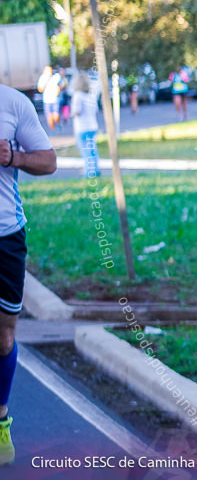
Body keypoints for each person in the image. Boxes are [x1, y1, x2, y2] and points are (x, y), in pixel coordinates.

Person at [0, 81, 57, 464]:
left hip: (4, 234)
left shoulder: (12, 103)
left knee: (3, 338)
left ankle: (0, 421)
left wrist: (13, 159)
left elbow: (49, 161)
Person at [70, 72, 100, 178]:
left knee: (85, 152)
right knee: (92, 150)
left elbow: (77, 111)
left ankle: (89, 173)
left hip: (82, 127)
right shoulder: (91, 95)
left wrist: (70, 113)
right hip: (92, 125)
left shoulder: (77, 96)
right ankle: (95, 170)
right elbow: (96, 110)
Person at [38, 66, 63, 131]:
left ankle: (58, 123)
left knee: (56, 115)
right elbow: (40, 89)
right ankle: (53, 130)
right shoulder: (42, 78)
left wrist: (58, 90)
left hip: (55, 99)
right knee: (49, 116)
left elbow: (61, 85)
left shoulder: (56, 77)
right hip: (47, 100)